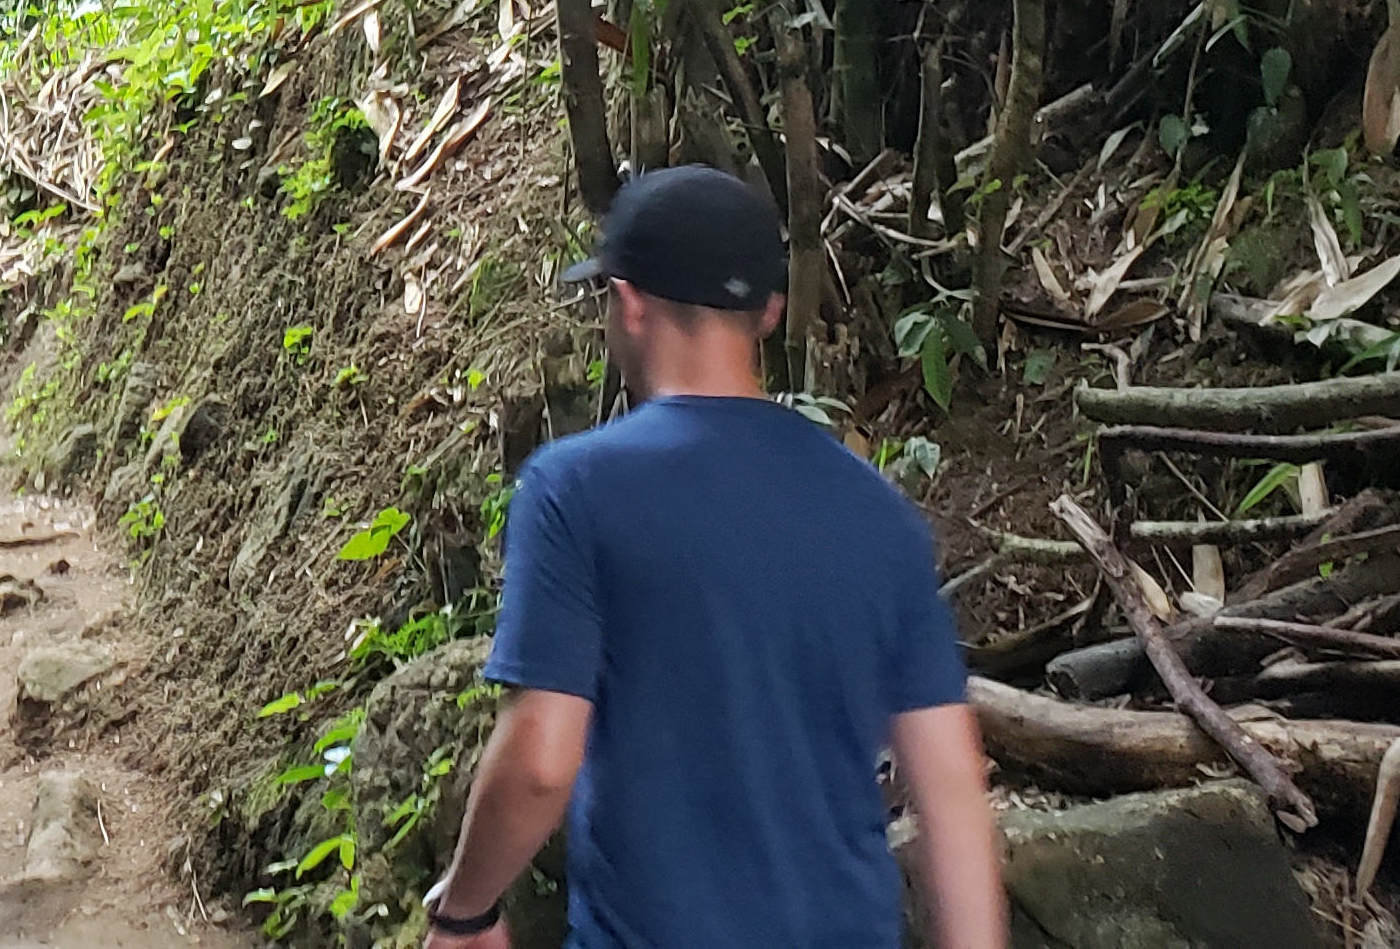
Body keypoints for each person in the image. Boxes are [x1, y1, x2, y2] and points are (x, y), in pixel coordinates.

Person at [419, 166, 1004, 949]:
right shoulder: (880, 515)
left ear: (627, 302)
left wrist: (467, 913)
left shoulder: (575, 490)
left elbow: (541, 762)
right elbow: (952, 792)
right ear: (767, 314)